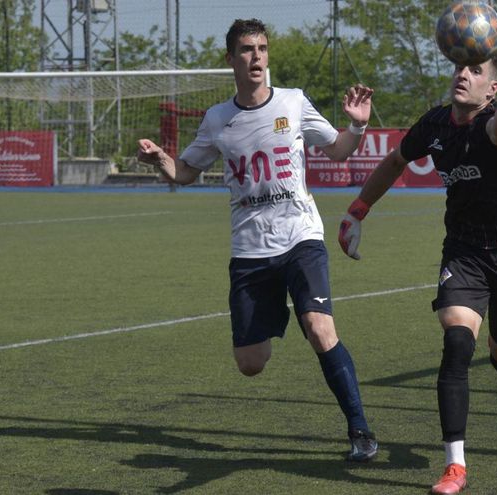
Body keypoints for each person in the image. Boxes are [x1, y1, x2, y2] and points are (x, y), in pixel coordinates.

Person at [137, 18, 379, 462]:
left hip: (301, 237)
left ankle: (360, 430)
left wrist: (358, 126)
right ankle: (280, 311)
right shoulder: (217, 119)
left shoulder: (294, 101)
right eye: (247, 50)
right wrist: (160, 159)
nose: (257, 57)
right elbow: (185, 173)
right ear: (230, 59)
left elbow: (340, 150)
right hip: (250, 250)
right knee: (250, 364)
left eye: (263, 49)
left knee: (320, 329)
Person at [337, 52, 497, 493]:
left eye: (475, 72)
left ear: (493, 90)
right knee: (455, 344)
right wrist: (358, 210)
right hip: (465, 250)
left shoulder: (494, 122)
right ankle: (455, 465)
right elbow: (396, 161)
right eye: (459, 68)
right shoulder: (433, 124)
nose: (462, 74)